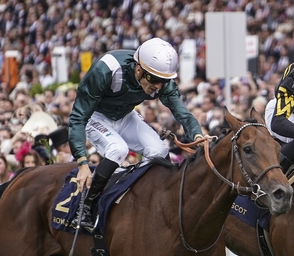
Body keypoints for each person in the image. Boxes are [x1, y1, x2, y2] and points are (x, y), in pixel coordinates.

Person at [69, 38, 206, 232]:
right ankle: (85, 208)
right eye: (154, 80)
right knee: (118, 149)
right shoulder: (106, 69)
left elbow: (182, 112)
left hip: (126, 116)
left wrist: (197, 136)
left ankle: (148, 202)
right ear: (139, 69)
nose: (158, 86)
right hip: (95, 117)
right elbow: (77, 117)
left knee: (159, 151)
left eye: (164, 81)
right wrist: (82, 163)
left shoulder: (160, 81)